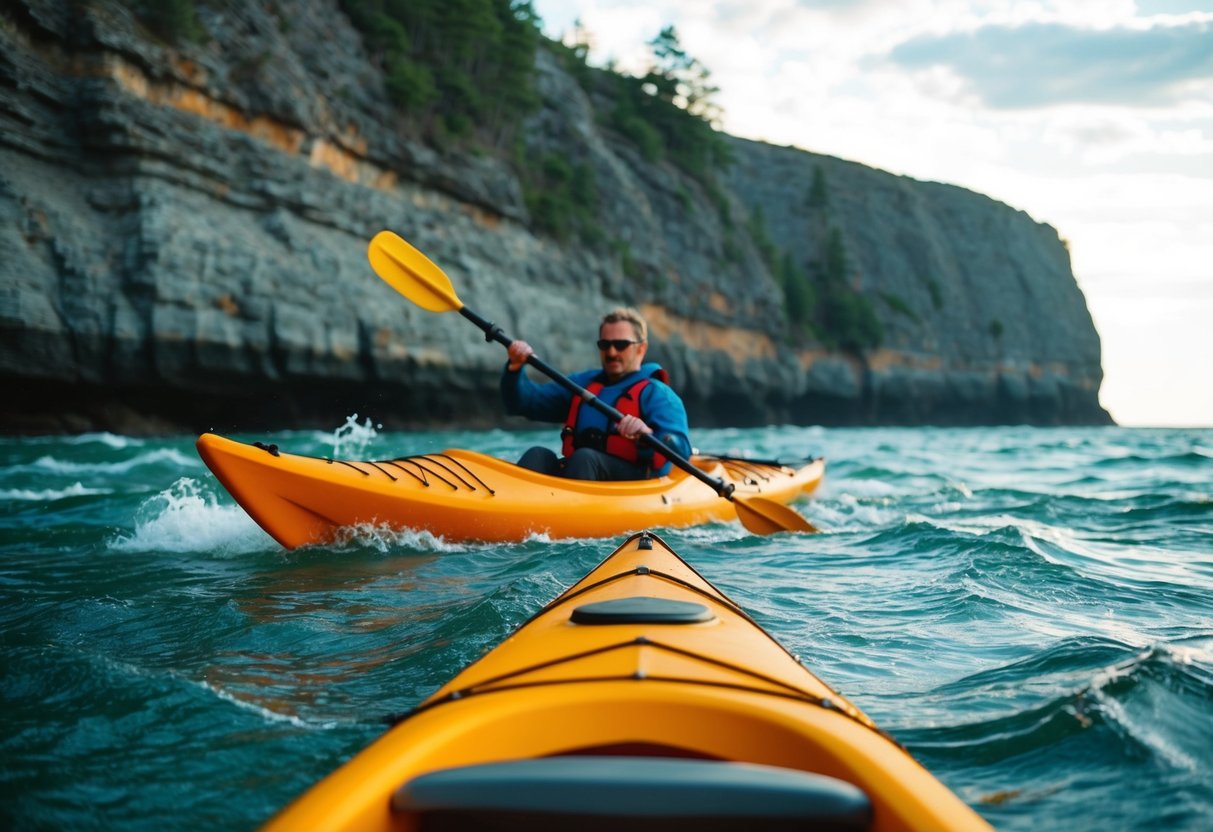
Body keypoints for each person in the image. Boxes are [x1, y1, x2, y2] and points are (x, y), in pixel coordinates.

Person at [501, 307, 692, 481]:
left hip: (635, 479)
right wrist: (514, 369)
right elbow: (525, 402)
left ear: (641, 348)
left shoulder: (658, 394)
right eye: (605, 344)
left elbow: (681, 450)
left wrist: (648, 434)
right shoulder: (583, 385)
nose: (611, 352)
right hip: (582, 473)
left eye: (621, 344)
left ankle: (570, 515)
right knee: (538, 455)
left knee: (585, 458)